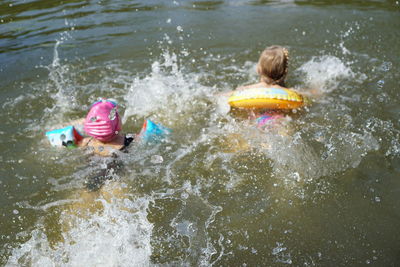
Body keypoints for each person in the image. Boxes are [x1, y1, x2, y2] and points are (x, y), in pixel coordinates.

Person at [46, 99, 171, 190]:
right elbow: (157, 134)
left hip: (90, 177)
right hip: (117, 180)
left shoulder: (86, 142)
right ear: (117, 124)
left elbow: (55, 134)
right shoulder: (130, 139)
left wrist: (84, 121)